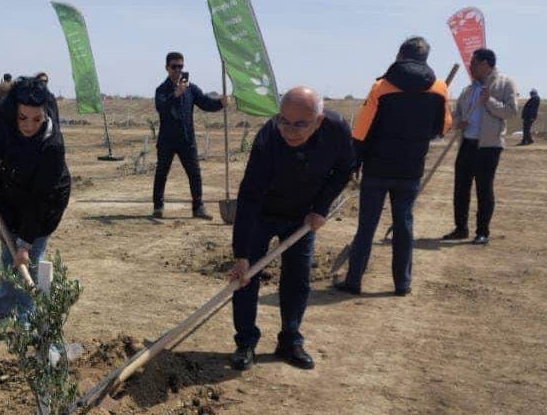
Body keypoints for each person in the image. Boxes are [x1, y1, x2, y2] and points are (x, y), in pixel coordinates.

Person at [229, 87, 354, 371]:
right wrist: (242, 253)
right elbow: (249, 195)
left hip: (302, 217)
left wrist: (321, 208)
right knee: (246, 277)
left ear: (318, 121)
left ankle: (290, 340)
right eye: (284, 120)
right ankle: (246, 341)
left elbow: (345, 169)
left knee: (297, 279)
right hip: (262, 213)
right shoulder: (269, 138)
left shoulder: (336, 130)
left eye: (300, 124)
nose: (290, 130)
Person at [333, 37, 452, 297]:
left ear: (400, 54)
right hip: (410, 169)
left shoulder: (381, 87)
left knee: (367, 226)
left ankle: (354, 281)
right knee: (404, 224)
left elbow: (362, 130)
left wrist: (354, 163)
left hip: (377, 167)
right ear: (425, 58)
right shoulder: (439, 89)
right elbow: (441, 128)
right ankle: (402, 283)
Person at [0, 77, 71, 331]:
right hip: (8, 191)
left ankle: (28, 320)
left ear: (45, 113)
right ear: (14, 111)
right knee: (8, 254)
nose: (29, 125)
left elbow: (40, 199)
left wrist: (25, 243)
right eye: (23, 118)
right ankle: (2, 312)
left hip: (44, 203)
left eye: (36, 119)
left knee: (29, 258)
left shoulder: (51, 146)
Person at [442, 49, 517, 244]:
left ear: (486, 64)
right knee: (461, 188)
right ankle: (461, 228)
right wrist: (459, 123)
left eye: (474, 62)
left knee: (483, 189)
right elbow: (456, 114)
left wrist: (489, 101)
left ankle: (482, 231)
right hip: (467, 143)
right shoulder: (469, 89)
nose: (471, 66)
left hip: (488, 146)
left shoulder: (504, 83)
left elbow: (510, 111)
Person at [153, 51, 227, 220]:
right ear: (167, 68)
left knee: (194, 173)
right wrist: (176, 94)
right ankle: (158, 206)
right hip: (167, 140)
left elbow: (205, 103)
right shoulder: (161, 90)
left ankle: (198, 208)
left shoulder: (191, 89)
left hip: (187, 140)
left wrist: (220, 104)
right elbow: (161, 108)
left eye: (180, 66)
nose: (178, 70)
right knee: (162, 172)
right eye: (174, 67)